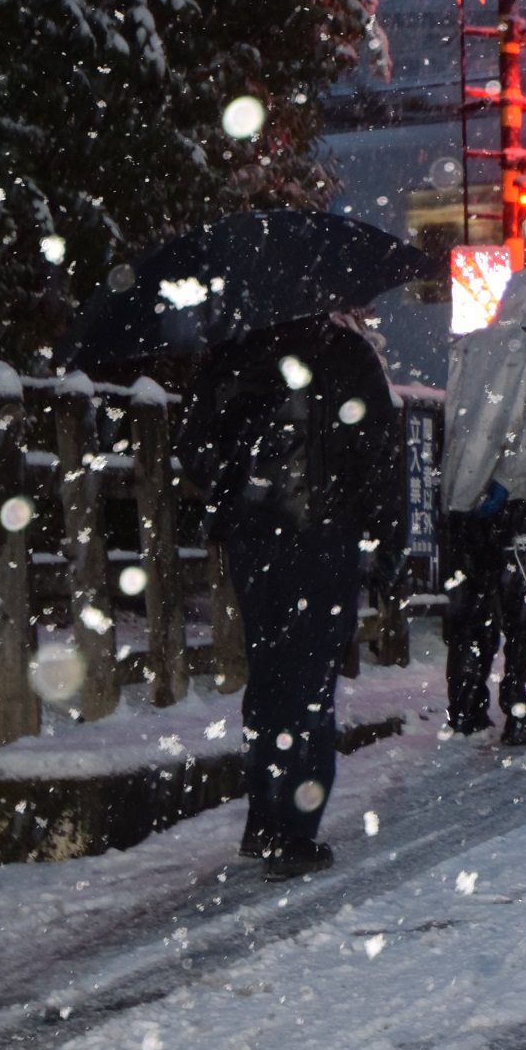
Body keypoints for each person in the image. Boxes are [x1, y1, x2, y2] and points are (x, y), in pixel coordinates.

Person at [180, 314, 404, 878]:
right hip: (324, 534)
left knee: (270, 672)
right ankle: (293, 827)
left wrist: (231, 494)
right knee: (310, 682)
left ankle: (265, 810)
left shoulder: (234, 352)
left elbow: (196, 446)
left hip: (256, 538)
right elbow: (379, 451)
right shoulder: (346, 354)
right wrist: (386, 542)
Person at [438, 267, 526, 741]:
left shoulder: (468, 346)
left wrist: (460, 488)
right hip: (514, 497)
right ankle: (520, 711)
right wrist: (507, 477)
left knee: (469, 608)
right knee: (524, 607)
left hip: (460, 498)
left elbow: (454, 420)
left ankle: (465, 708)